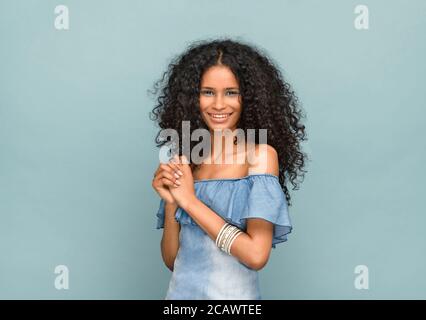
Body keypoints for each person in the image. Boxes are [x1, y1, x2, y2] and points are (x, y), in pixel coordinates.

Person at [150, 38, 308, 299]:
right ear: (192, 97)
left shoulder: (259, 157)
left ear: (251, 97)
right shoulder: (188, 160)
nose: (219, 105)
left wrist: (189, 202)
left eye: (231, 92)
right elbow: (173, 261)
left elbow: (257, 255)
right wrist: (170, 205)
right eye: (207, 92)